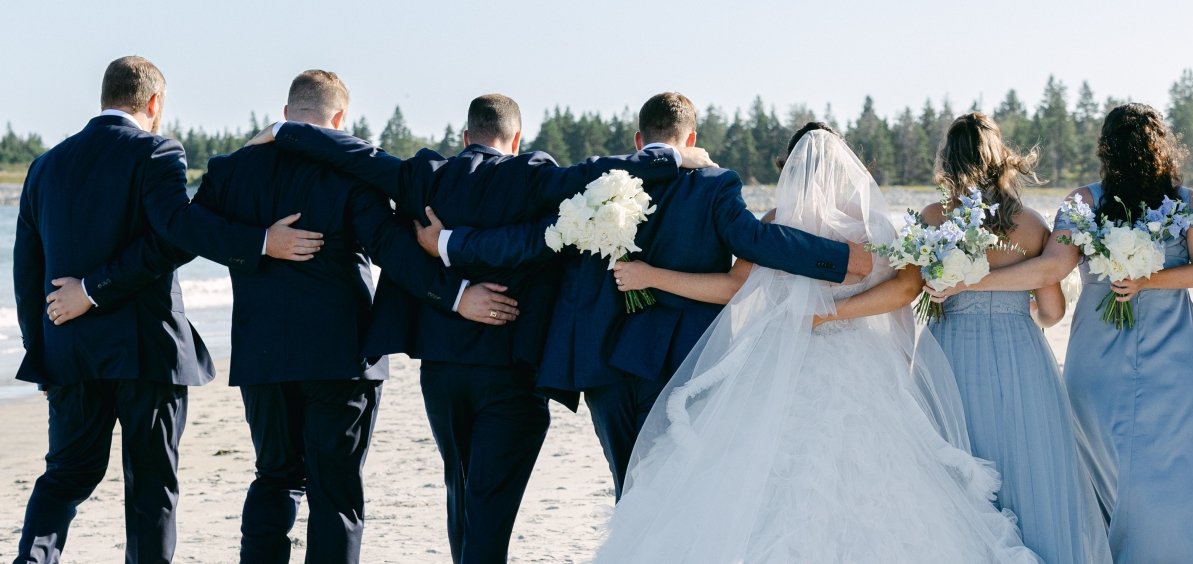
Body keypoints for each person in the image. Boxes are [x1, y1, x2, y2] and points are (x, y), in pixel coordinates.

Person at [250, 93, 698, 563]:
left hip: (441, 373)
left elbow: (356, 155)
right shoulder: (533, 175)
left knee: (460, 493)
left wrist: (285, 131)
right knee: (489, 508)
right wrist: (668, 154)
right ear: (516, 138)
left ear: (466, 138)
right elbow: (599, 172)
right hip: (512, 373)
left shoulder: (427, 176)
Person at [590, 124, 1037, 563]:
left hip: (783, 357)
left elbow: (732, 287)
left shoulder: (777, 223)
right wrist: (838, 314)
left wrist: (651, 276)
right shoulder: (872, 226)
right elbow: (905, 289)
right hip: (859, 359)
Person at [433, 92, 874, 499]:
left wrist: (448, 243)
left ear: (639, 140)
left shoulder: (598, 181)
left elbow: (532, 243)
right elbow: (757, 241)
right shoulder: (714, 185)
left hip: (602, 359)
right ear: (692, 140)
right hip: (680, 359)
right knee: (672, 490)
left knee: (628, 488)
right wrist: (839, 259)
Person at [10, 55, 320, 564]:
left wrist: (39, 349)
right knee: (152, 486)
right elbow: (175, 235)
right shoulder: (157, 151)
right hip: (146, 351)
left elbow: (27, 269)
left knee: (64, 477)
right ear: (153, 103)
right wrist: (93, 290)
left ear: (105, 97)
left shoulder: (45, 165)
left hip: (70, 351)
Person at [191, 69, 508, 564]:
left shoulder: (232, 171)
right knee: (335, 492)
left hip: (263, 356)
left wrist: (258, 242)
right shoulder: (348, 171)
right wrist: (455, 296)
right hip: (341, 357)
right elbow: (392, 250)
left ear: (286, 114)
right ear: (339, 119)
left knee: (274, 478)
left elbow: (188, 228)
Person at [924, 112, 1112, 564]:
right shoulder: (1029, 224)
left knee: (959, 463)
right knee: (1030, 465)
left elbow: (918, 290)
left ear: (948, 160)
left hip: (951, 354)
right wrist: (1020, 309)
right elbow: (1052, 311)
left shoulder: (932, 218)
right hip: (1021, 357)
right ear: (1000, 159)